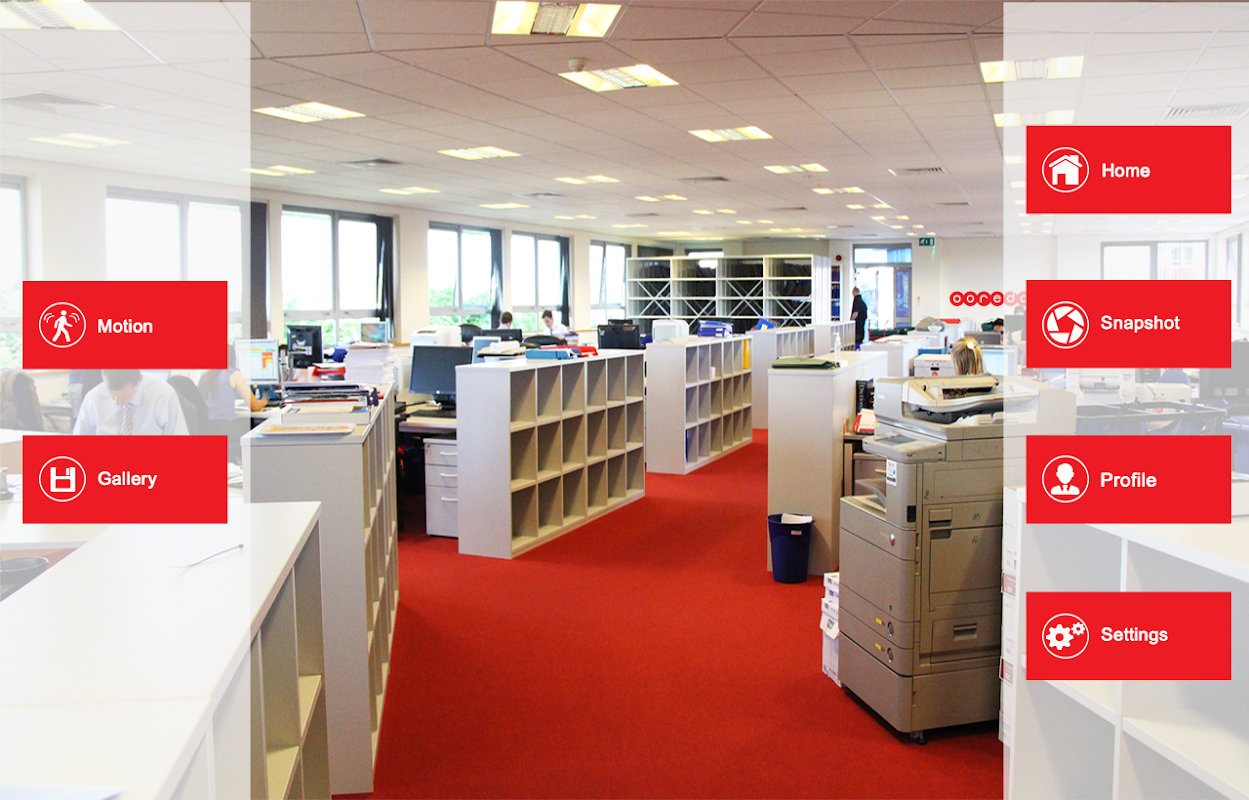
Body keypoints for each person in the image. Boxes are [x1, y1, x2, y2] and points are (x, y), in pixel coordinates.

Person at [73, 369, 188, 435]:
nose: (118, 403)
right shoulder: (94, 398)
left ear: (139, 380)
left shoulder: (163, 396)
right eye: (113, 396)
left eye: (124, 397)